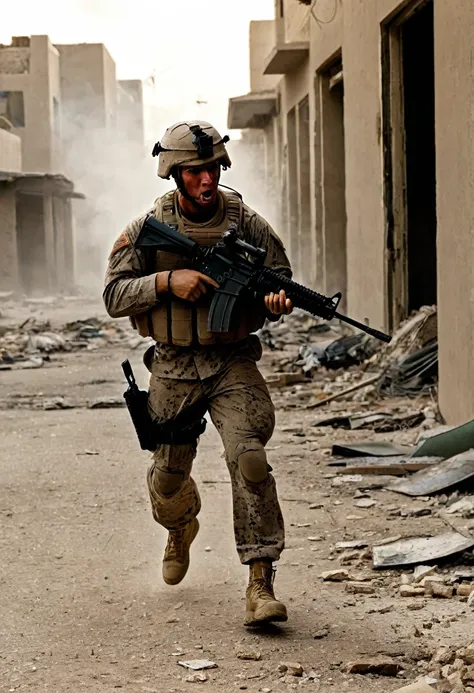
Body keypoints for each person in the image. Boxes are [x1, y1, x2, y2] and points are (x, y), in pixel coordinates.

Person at [103, 120, 293, 626]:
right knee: (168, 481)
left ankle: (260, 581)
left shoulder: (247, 224)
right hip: (173, 364)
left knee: (250, 458)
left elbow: (281, 281)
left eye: (211, 169)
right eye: (194, 172)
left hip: (231, 361)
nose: (206, 181)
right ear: (174, 174)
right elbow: (114, 295)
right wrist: (167, 280)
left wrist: (276, 301)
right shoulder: (146, 228)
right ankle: (180, 526)